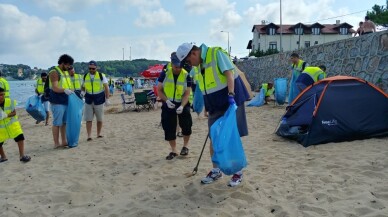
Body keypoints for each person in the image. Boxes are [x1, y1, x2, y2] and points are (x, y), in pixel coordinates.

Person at [176, 42, 250, 187]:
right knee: (213, 137)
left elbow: (229, 74)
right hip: (214, 105)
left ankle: (238, 173)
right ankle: (216, 170)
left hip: (230, 101)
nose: (190, 65)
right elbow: (206, 86)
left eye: (189, 61)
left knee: (230, 137)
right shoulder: (199, 66)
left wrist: (231, 95)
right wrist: (207, 106)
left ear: (193, 53)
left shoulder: (216, 53)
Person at [157, 52, 192, 160]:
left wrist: (182, 105)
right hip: (168, 102)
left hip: (182, 102)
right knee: (168, 127)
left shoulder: (186, 74)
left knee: (186, 125)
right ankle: (174, 150)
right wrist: (166, 101)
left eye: (180, 67)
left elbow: (187, 93)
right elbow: (160, 90)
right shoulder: (164, 73)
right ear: (172, 64)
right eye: (176, 67)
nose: (178, 69)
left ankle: (185, 146)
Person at [48, 54, 74, 148]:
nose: (68, 67)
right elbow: (55, 88)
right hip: (57, 101)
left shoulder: (65, 73)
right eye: (67, 65)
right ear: (63, 63)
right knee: (57, 123)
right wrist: (64, 90)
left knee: (64, 123)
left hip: (66, 100)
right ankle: (56, 143)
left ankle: (64, 141)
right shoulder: (54, 72)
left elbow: (69, 86)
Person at [0, 87, 31, 163]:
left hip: (13, 125)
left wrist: (6, 115)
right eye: (0, 95)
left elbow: (14, 113)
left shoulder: (10, 102)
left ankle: (22, 156)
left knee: (20, 137)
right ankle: (3, 157)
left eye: (2, 94)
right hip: (1, 128)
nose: (1, 97)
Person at [81, 60, 110, 141]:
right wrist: (83, 92)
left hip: (99, 99)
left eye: (93, 69)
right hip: (88, 99)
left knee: (100, 118)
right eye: (90, 68)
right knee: (88, 119)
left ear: (96, 68)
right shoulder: (85, 76)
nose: (91, 70)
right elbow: (82, 86)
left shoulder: (101, 76)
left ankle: (98, 134)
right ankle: (89, 136)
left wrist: (107, 99)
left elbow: (106, 88)